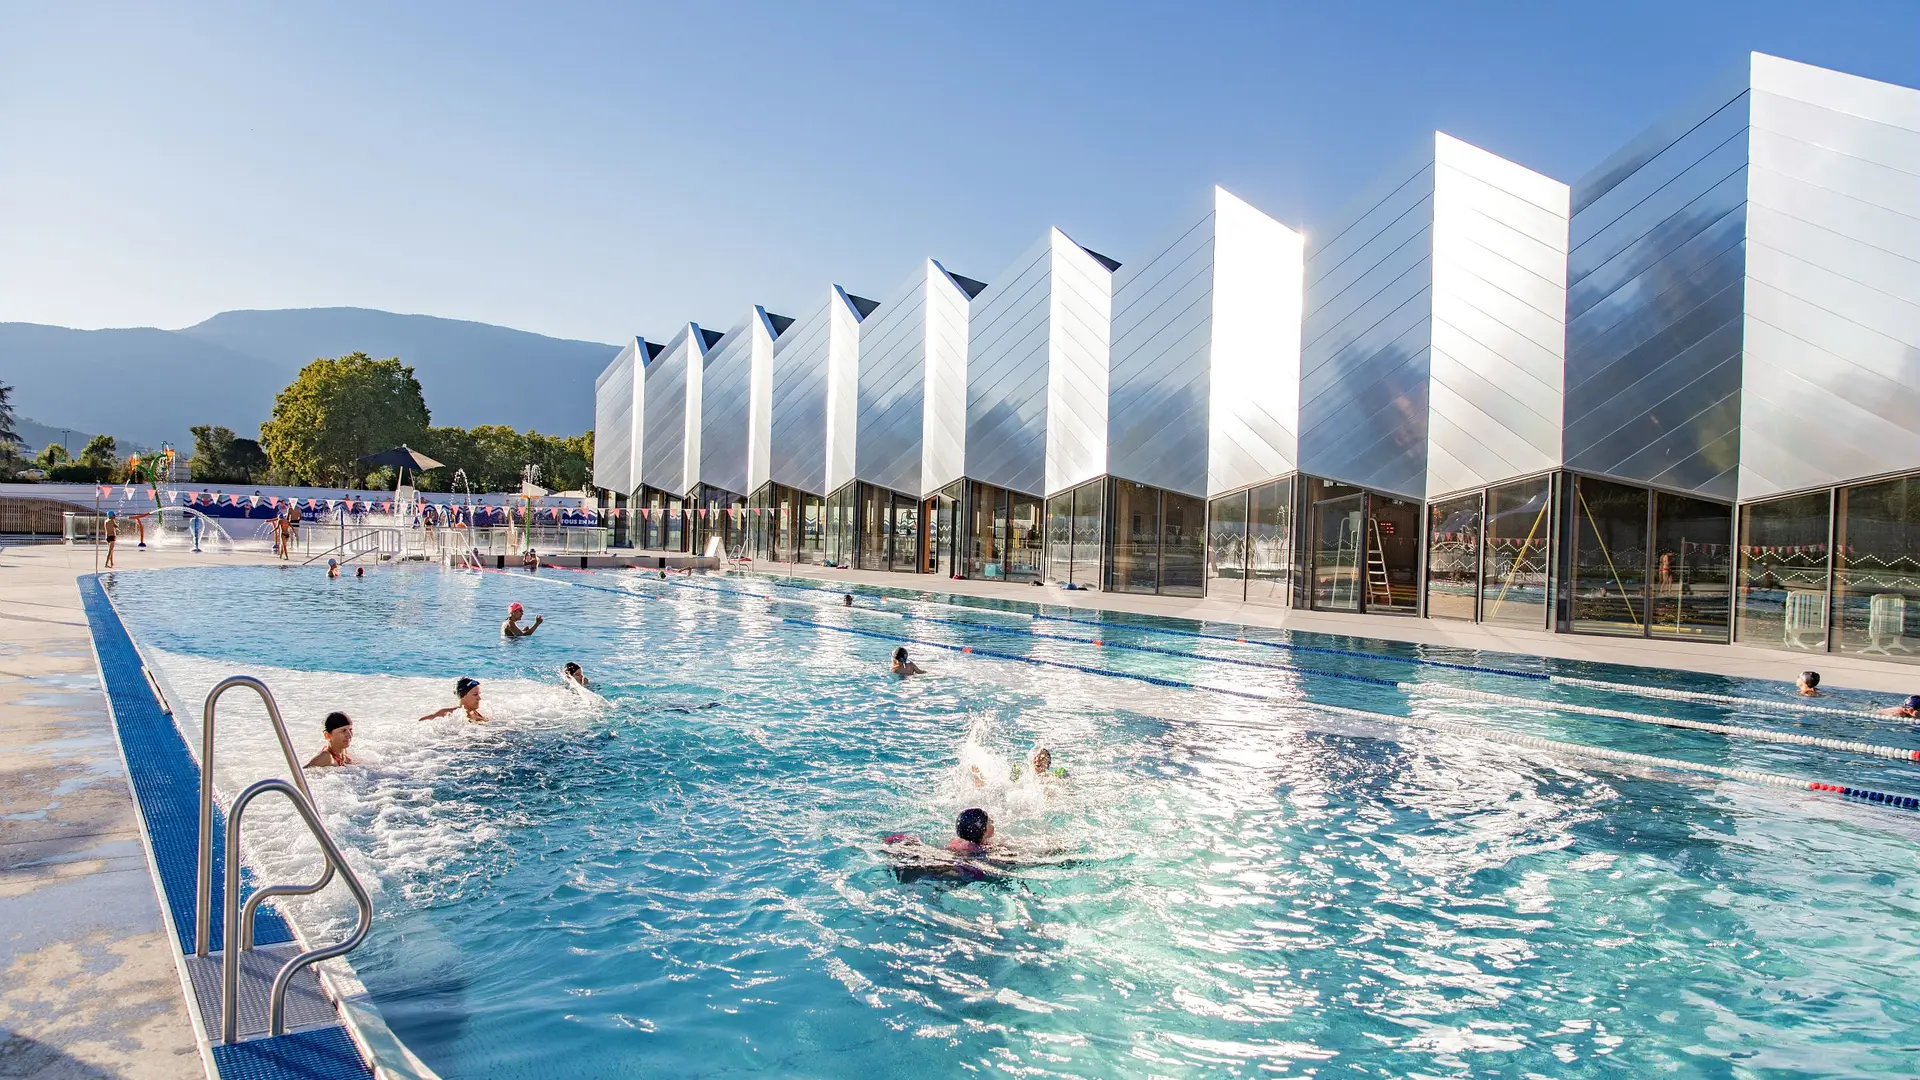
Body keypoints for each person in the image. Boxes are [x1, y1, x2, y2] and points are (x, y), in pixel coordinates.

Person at [420, 677, 488, 722]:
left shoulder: (476, 714)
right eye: (475, 694)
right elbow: (423, 721)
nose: (479, 698)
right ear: (463, 696)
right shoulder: (451, 713)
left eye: (479, 694)